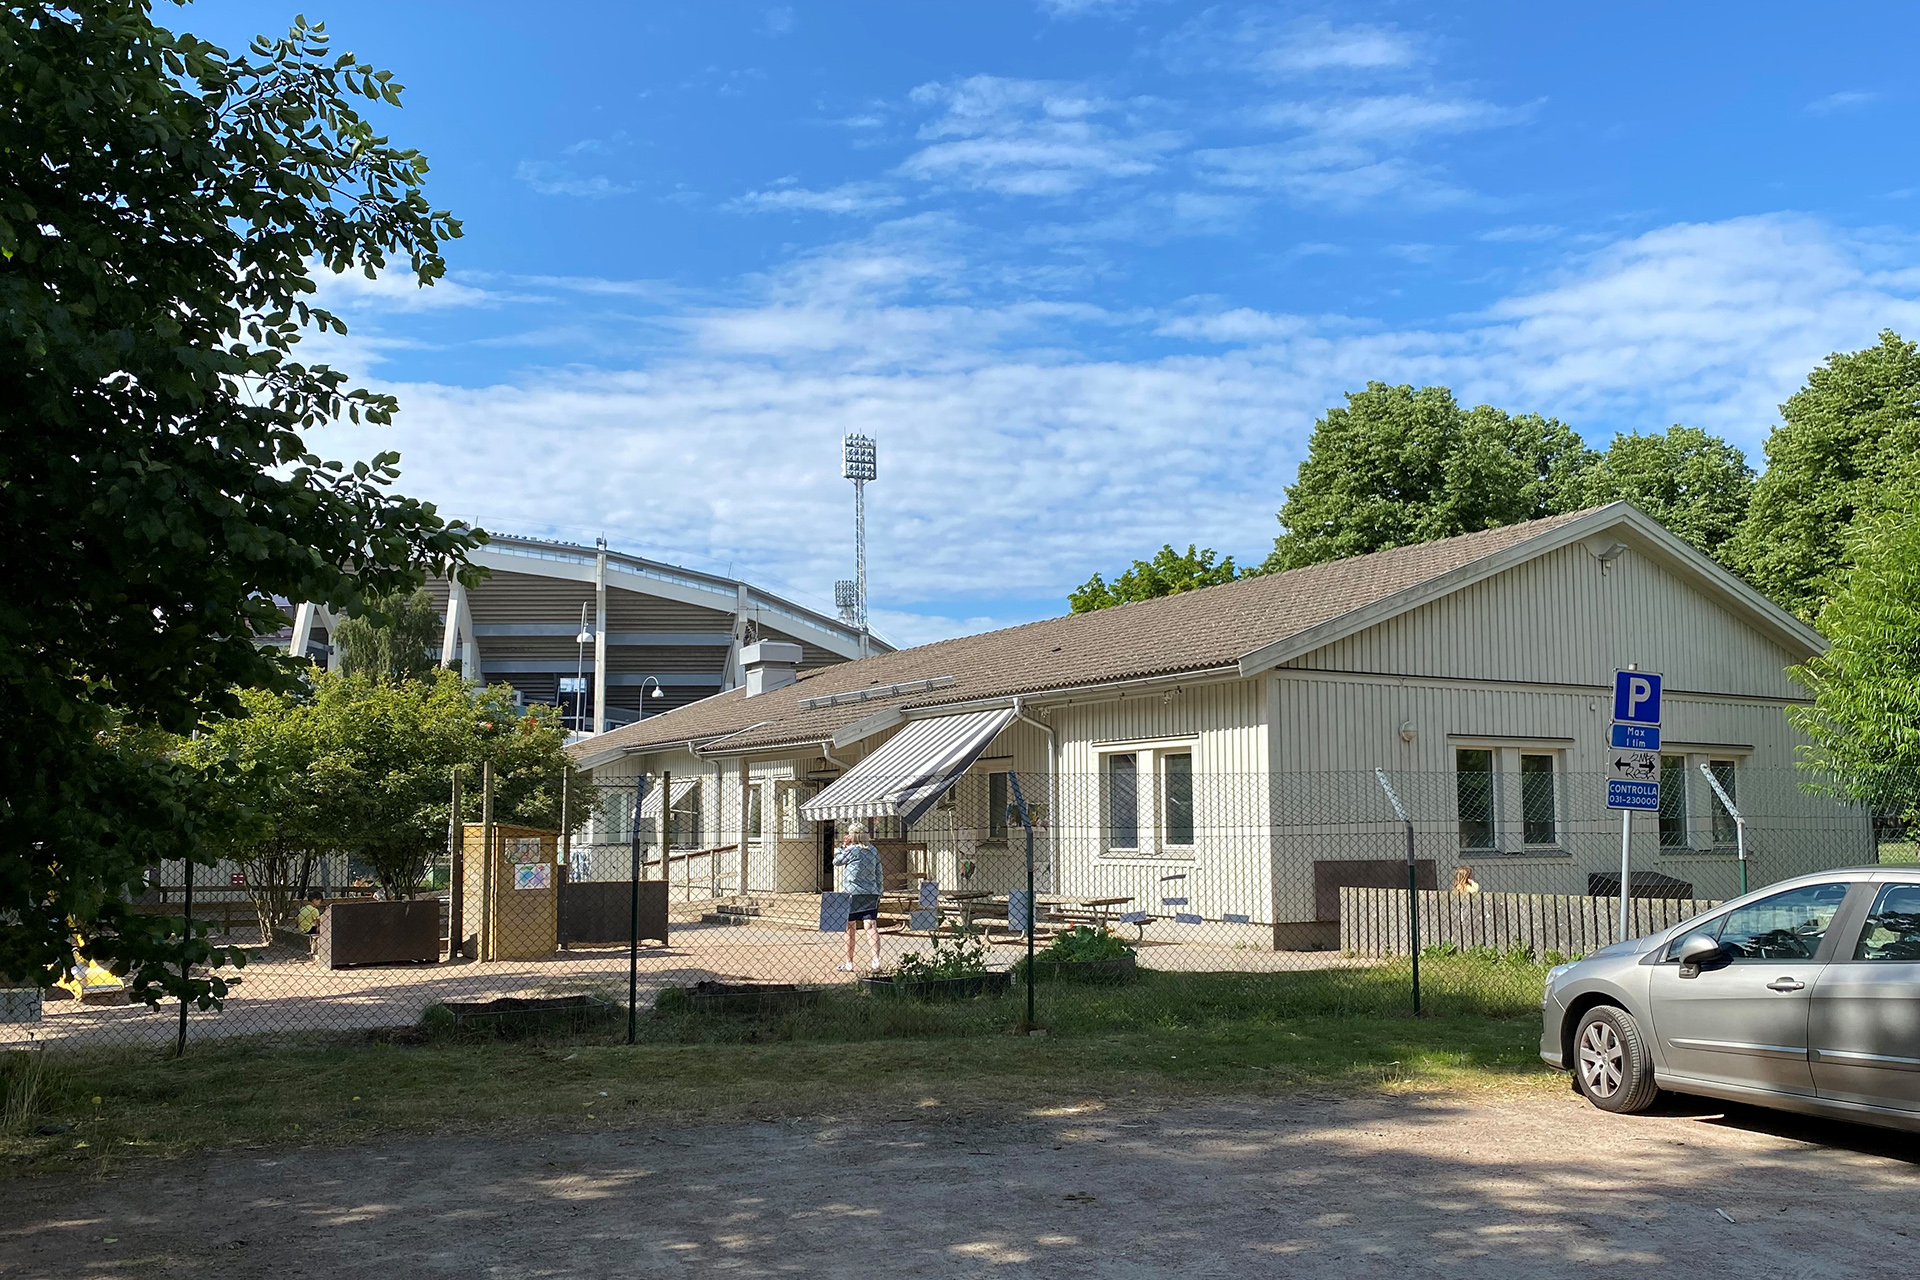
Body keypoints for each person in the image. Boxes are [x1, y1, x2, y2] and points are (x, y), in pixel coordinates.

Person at [833, 822, 883, 972]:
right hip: (870, 892)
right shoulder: (873, 850)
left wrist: (842, 846)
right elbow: (878, 871)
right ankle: (876, 961)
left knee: (850, 927)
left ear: (852, 836)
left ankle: (849, 962)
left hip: (852, 893)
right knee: (870, 926)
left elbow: (837, 861)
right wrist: (880, 890)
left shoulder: (852, 850)